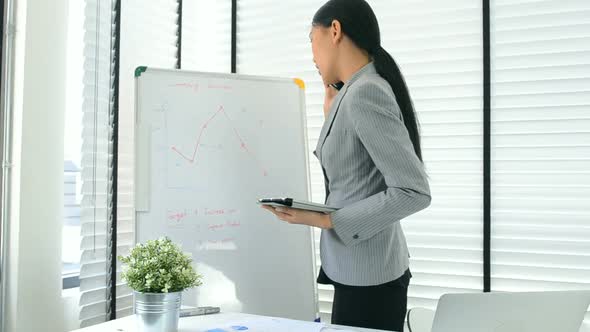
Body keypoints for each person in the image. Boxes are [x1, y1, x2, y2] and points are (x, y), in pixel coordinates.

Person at [261, 0, 431, 330]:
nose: (311, 53)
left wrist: (328, 220)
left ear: (334, 31)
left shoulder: (366, 93)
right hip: (358, 269)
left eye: (311, 37)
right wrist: (331, 112)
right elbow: (357, 176)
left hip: (371, 279)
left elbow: (413, 192)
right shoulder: (354, 92)